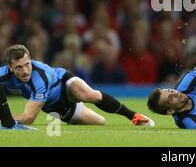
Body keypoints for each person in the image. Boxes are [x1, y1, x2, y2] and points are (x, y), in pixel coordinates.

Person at [0, 44, 154, 126]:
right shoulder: (3, 73)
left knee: (88, 95)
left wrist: (5, 122)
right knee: (100, 122)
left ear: (30, 59)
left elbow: (28, 118)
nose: (25, 71)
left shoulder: (40, 78)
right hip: (55, 107)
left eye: (27, 64)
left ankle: (134, 116)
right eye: (19, 67)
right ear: (10, 67)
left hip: (63, 85)